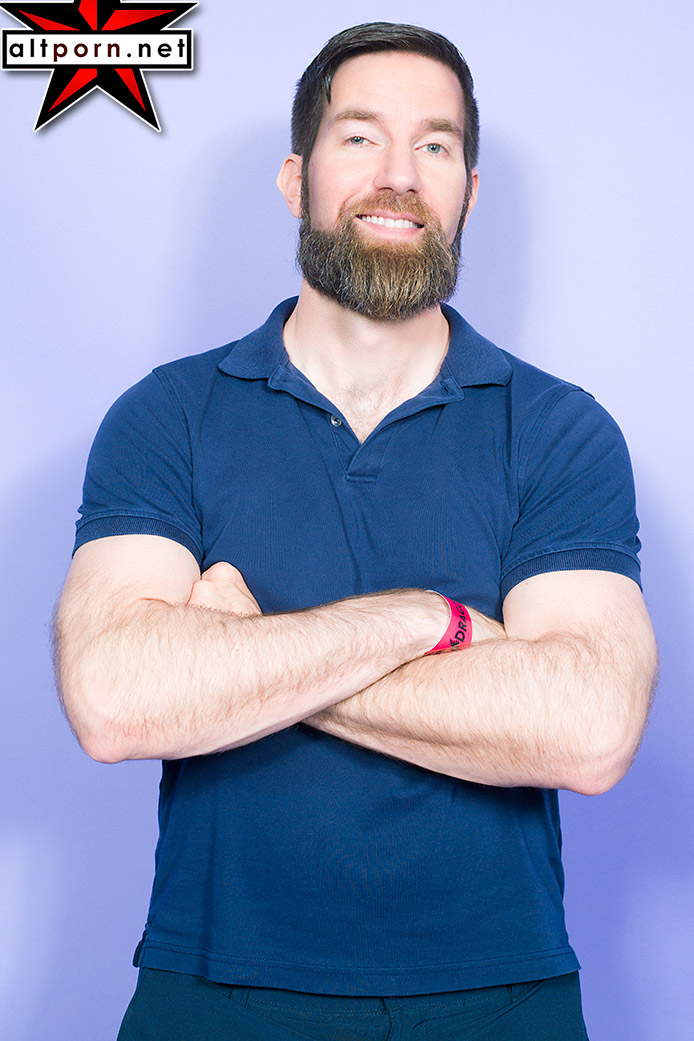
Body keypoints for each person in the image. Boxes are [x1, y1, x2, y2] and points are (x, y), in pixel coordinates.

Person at [54, 21, 657, 1041]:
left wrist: (242, 657)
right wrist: (423, 621)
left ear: (468, 190)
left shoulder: (559, 429)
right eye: (360, 136)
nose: (399, 175)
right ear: (296, 178)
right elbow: (114, 701)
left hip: (502, 999)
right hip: (212, 995)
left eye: (435, 145)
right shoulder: (169, 415)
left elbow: (591, 730)